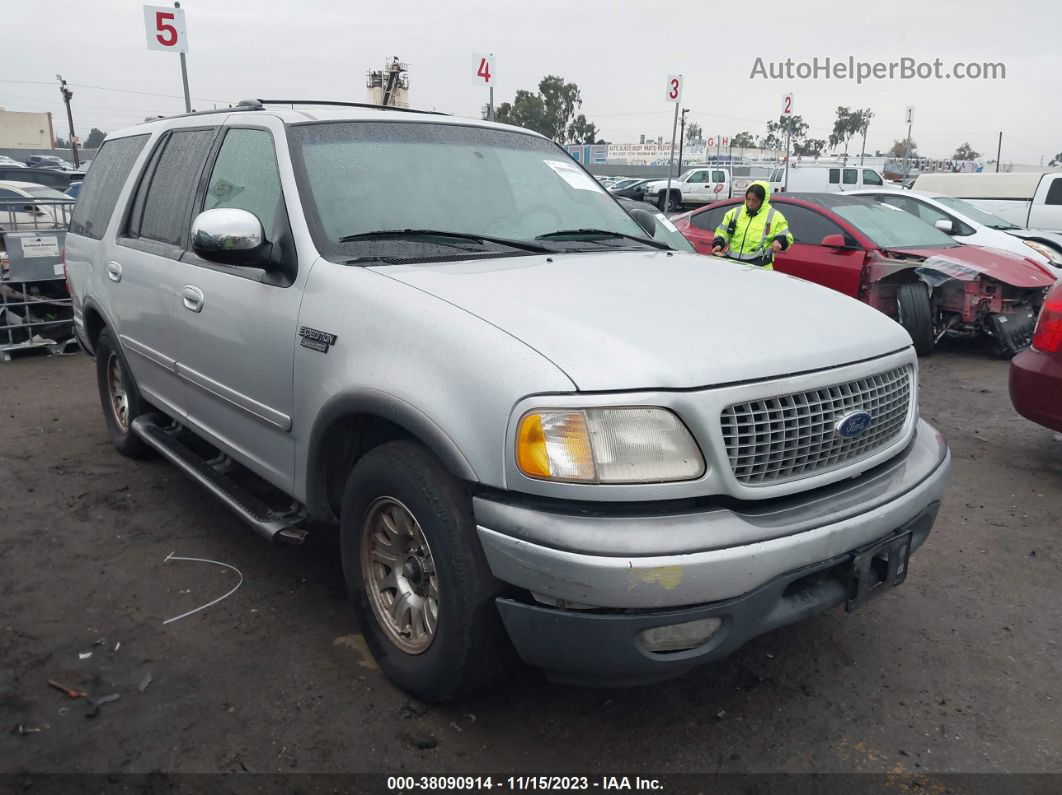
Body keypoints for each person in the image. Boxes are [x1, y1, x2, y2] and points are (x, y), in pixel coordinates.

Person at [711, 180, 793, 269]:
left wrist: (779, 242)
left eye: (755, 200)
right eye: (748, 199)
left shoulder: (775, 216)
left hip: (760, 268)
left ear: (763, 200)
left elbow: (786, 237)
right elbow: (722, 232)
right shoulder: (734, 213)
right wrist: (719, 244)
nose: (750, 203)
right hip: (733, 265)